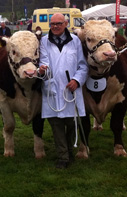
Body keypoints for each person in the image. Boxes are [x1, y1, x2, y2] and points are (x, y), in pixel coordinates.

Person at [38, 13, 89, 169]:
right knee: (56, 124)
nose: (55, 26)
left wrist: (77, 80)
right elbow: (44, 62)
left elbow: (83, 66)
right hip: (52, 89)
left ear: (66, 23)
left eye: (58, 23)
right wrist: (43, 71)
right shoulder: (45, 41)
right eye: (52, 24)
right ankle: (63, 157)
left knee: (71, 122)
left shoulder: (74, 41)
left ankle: (68, 151)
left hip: (70, 89)